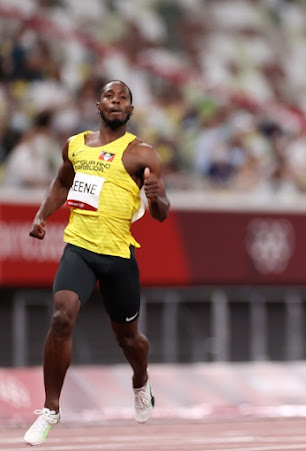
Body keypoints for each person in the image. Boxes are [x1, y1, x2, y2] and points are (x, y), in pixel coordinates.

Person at [23, 80, 170, 446]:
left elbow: (162, 214)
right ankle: (50, 410)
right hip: (79, 248)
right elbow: (61, 182)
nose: (116, 102)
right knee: (61, 318)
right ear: (98, 106)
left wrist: (156, 199)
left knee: (129, 340)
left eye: (123, 98)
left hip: (119, 256)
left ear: (131, 110)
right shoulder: (75, 145)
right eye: (110, 96)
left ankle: (140, 380)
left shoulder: (142, 154)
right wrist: (42, 216)